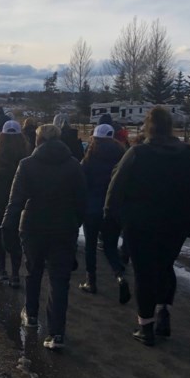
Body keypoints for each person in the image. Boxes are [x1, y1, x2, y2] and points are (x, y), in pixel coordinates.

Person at [104, 106, 190, 346]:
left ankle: (145, 326)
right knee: (165, 266)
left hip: (140, 224)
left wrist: (111, 217)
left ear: (147, 127)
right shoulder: (189, 154)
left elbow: (116, 186)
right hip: (175, 223)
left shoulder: (138, 152)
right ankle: (164, 312)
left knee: (144, 273)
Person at [2, 123, 87, 350]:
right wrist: (74, 224)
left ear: (37, 140)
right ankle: (56, 333)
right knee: (60, 280)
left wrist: (6, 226)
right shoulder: (73, 166)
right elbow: (82, 203)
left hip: (32, 227)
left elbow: (16, 201)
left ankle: (30, 315)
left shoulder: (27, 165)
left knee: (33, 271)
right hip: (64, 229)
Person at [79, 123, 130, 304]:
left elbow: (82, 183)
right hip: (112, 210)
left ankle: (90, 281)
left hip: (92, 209)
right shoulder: (122, 156)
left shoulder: (89, 158)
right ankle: (119, 275)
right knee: (110, 247)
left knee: (90, 246)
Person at [0, 120, 29, 288]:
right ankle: (16, 274)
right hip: (20, 202)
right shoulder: (26, 157)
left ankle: (1, 270)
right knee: (16, 236)